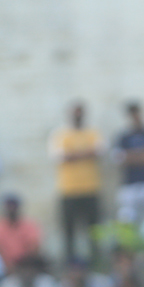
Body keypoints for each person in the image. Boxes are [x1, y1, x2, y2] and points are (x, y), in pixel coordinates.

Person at [48, 101, 104, 263]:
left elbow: (99, 151)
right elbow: (59, 156)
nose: (77, 115)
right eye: (75, 112)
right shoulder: (60, 134)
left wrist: (73, 155)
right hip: (68, 190)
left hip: (90, 188)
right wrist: (85, 154)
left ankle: (96, 262)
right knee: (69, 232)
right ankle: (70, 264)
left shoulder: (93, 132)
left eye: (80, 112)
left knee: (94, 231)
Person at [114, 100, 144, 225]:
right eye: (132, 114)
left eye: (137, 113)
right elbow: (120, 159)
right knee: (126, 217)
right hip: (130, 184)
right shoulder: (123, 137)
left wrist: (131, 156)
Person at [0, 194, 43, 273]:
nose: (11, 209)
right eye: (9, 207)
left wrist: (22, 265)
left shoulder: (29, 225)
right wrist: (7, 264)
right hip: (1, 266)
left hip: (25, 265)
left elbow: (34, 247)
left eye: (13, 206)